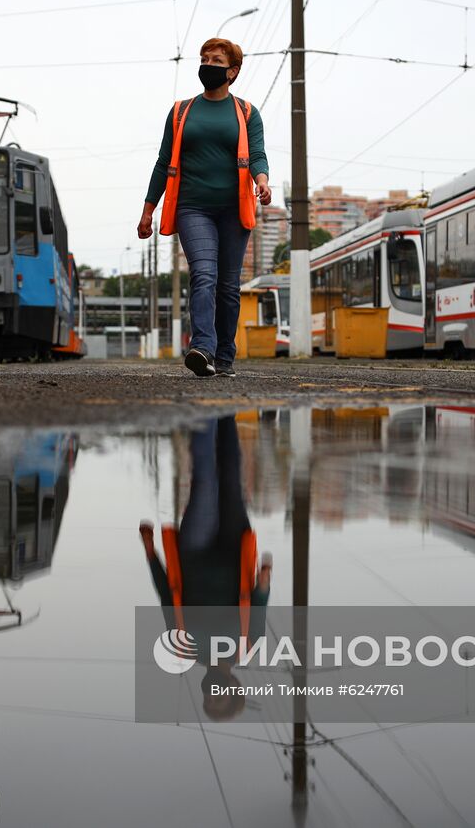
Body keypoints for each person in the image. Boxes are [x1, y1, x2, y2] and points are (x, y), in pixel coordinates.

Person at [138, 38, 272, 379]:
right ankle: (203, 349)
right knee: (204, 274)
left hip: (234, 209)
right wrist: (148, 209)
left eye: (216, 59)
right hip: (192, 207)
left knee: (228, 286)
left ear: (232, 71)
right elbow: (163, 162)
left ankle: (224, 354)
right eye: (204, 58)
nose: (207, 64)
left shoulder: (245, 112)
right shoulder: (182, 111)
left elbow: (256, 153)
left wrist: (262, 180)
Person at [140, 416, 273, 721]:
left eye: (209, 702)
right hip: (233, 549)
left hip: (194, 552)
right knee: (230, 475)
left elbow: (167, 595)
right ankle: (225, 410)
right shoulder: (247, 647)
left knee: (204, 483)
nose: (213, 695)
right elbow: (259, 604)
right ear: (235, 689)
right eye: (220, 700)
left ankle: (204, 411)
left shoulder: (183, 648)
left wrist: (150, 553)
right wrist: (264, 581)